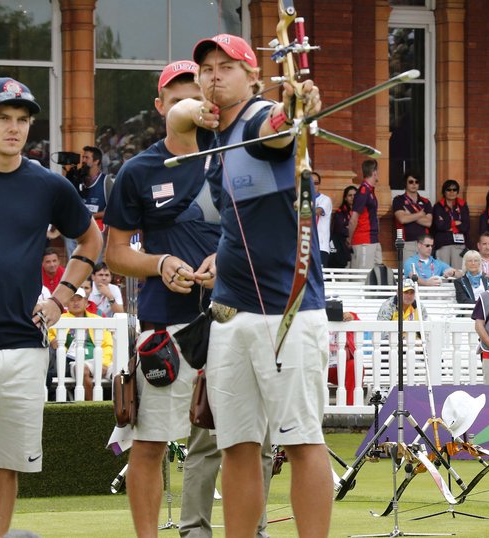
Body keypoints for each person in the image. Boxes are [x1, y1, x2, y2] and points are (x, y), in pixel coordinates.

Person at [168, 34, 333, 536]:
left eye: (227, 67)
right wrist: (193, 110)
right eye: (206, 69)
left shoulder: (258, 117)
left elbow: (277, 130)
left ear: (253, 77)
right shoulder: (210, 130)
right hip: (229, 313)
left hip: (287, 311)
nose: (214, 75)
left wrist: (293, 108)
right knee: (235, 444)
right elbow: (174, 121)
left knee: (302, 439)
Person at [105, 60, 274, 538]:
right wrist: (159, 263)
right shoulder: (138, 170)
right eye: (179, 97)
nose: (193, 104)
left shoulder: (238, 156)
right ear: (161, 106)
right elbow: (115, 252)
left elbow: (267, 232)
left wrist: (229, 258)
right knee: (150, 445)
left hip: (238, 318)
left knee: (250, 443)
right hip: (169, 329)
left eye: (197, 94)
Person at [0, 75, 102, 538]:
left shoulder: (48, 185)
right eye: (2, 118)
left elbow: (92, 237)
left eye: (22, 120)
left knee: (7, 467)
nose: (14, 128)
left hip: (25, 347)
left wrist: (61, 298)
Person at [48, 280, 113, 401]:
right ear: (67, 302)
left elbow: (108, 345)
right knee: (82, 371)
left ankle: (123, 410)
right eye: (72, 299)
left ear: (86, 302)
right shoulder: (59, 319)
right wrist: (53, 341)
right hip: (75, 362)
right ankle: (92, 408)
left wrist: (103, 362)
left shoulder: (98, 320)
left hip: (101, 360)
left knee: (122, 374)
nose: (75, 302)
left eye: (79, 299)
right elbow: (50, 336)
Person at [349, 158, 383, 269]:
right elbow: (353, 219)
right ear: (374, 172)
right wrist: (350, 239)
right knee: (362, 278)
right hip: (363, 240)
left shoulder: (370, 190)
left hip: (373, 239)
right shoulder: (363, 191)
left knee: (376, 276)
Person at [392, 170, 432, 260]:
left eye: (416, 182)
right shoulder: (398, 200)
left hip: (424, 243)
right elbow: (402, 219)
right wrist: (420, 214)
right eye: (411, 182)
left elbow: (428, 223)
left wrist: (410, 215)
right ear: (405, 184)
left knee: (424, 272)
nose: (414, 184)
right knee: (408, 272)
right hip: (406, 242)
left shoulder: (426, 201)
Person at [432, 179, 470, 268]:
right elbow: (439, 226)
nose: (452, 192)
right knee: (443, 274)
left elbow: (465, 226)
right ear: (444, 191)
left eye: (454, 189)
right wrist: (455, 223)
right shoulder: (438, 206)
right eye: (448, 189)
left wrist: (448, 225)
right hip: (443, 244)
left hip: (459, 245)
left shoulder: (463, 205)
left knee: (458, 274)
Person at [330, 185, 357, 268]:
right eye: (350, 195)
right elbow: (340, 229)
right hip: (343, 247)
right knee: (344, 274)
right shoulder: (340, 212)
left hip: (358, 244)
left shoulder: (362, 212)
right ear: (345, 198)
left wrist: (350, 227)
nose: (353, 197)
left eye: (355, 195)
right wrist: (353, 229)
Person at [313, 171, 333, 269]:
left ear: (319, 185)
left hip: (320, 246)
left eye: (316, 183)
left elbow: (317, 211)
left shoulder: (325, 199)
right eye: (309, 183)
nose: (313, 186)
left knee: (320, 278)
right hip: (304, 247)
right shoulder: (301, 200)